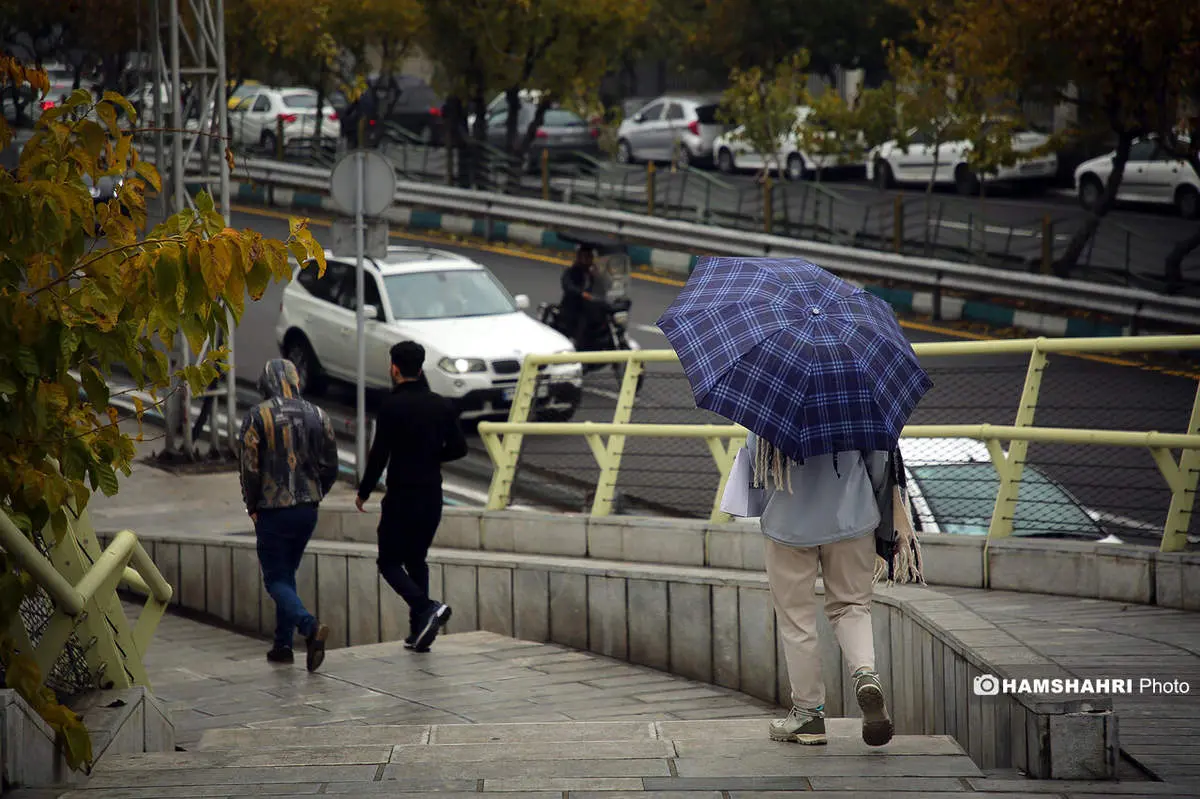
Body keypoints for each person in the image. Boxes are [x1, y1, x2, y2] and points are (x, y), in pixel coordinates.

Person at [746, 431, 894, 748]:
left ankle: (808, 714)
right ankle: (865, 675)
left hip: (788, 522)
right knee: (852, 606)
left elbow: (756, 459)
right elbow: (878, 462)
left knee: (796, 620)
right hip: (853, 516)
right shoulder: (852, 404)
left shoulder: (773, 405)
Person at [355, 341, 467, 652]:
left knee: (389, 561)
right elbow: (459, 448)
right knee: (417, 559)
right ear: (420, 368)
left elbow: (380, 454)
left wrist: (364, 491)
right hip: (432, 495)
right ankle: (419, 632)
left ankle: (427, 608)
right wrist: (431, 456)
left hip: (402, 495)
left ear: (394, 368)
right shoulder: (441, 405)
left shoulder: (391, 406)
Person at [239, 359, 340, 671]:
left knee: (275, 579)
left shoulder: (257, 416)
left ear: (265, 383)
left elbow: (250, 468)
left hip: (273, 509)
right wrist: (316, 492)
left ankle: (310, 627)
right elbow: (331, 466)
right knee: (287, 574)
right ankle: (282, 645)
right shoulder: (318, 414)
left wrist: (252, 505)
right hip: (307, 509)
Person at [558, 245, 602, 348]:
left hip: (590, 306)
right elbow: (568, 286)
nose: (588, 260)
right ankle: (577, 345)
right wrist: (581, 293)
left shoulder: (592, 273)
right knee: (582, 322)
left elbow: (602, 287)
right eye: (585, 257)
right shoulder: (571, 272)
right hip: (574, 307)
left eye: (589, 257)